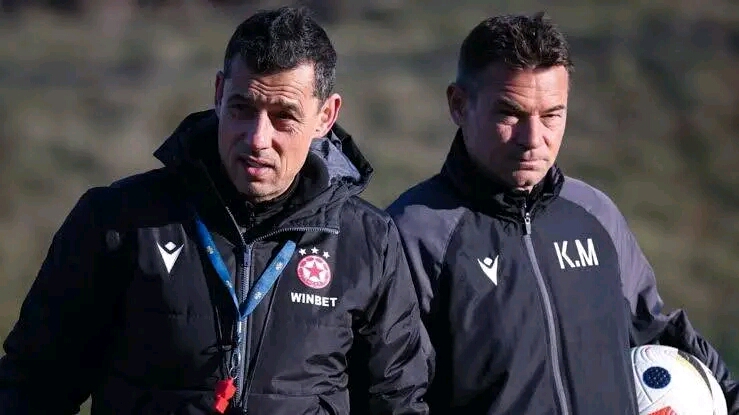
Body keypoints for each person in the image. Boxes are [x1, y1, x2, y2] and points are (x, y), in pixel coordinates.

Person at [0, 7, 430, 415]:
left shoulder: (368, 241)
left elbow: (398, 400)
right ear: (220, 93)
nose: (258, 139)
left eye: (284, 117)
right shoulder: (118, 221)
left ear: (326, 116)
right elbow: (33, 386)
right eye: (243, 109)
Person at [387, 12, 738, 414]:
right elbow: (394, 394)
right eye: (510, 113)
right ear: (459, 105)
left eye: (552, 115)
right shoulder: (410, 235)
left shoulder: (595, 214)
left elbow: (654, 331)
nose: (533, 139)